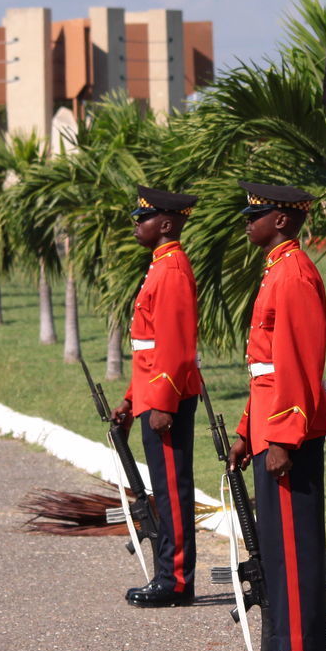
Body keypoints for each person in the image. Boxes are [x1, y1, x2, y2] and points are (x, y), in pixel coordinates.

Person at [227, 181, 326, 651]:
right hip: (272, 425)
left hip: (288, 432)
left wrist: (285, 437)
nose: (248, 222)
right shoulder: (276, 271)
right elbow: (264, 371)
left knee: (293, 546)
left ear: (283, 221)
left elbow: (298, 362)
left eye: (258, 214)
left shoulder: (292, 274)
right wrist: (249, 431)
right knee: (276, 544)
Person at [112, 186, 203, 608]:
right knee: (163, 488)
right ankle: (170, 573)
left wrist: (162, 403)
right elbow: (148, 347)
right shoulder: (160, 266)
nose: (136, 224)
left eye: (142, 218)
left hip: (166, 400)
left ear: (166, 224)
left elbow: (176, 345)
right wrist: (133, 399)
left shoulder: (171, 270)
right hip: (152, 395)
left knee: (171, 489)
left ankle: (177, 579)